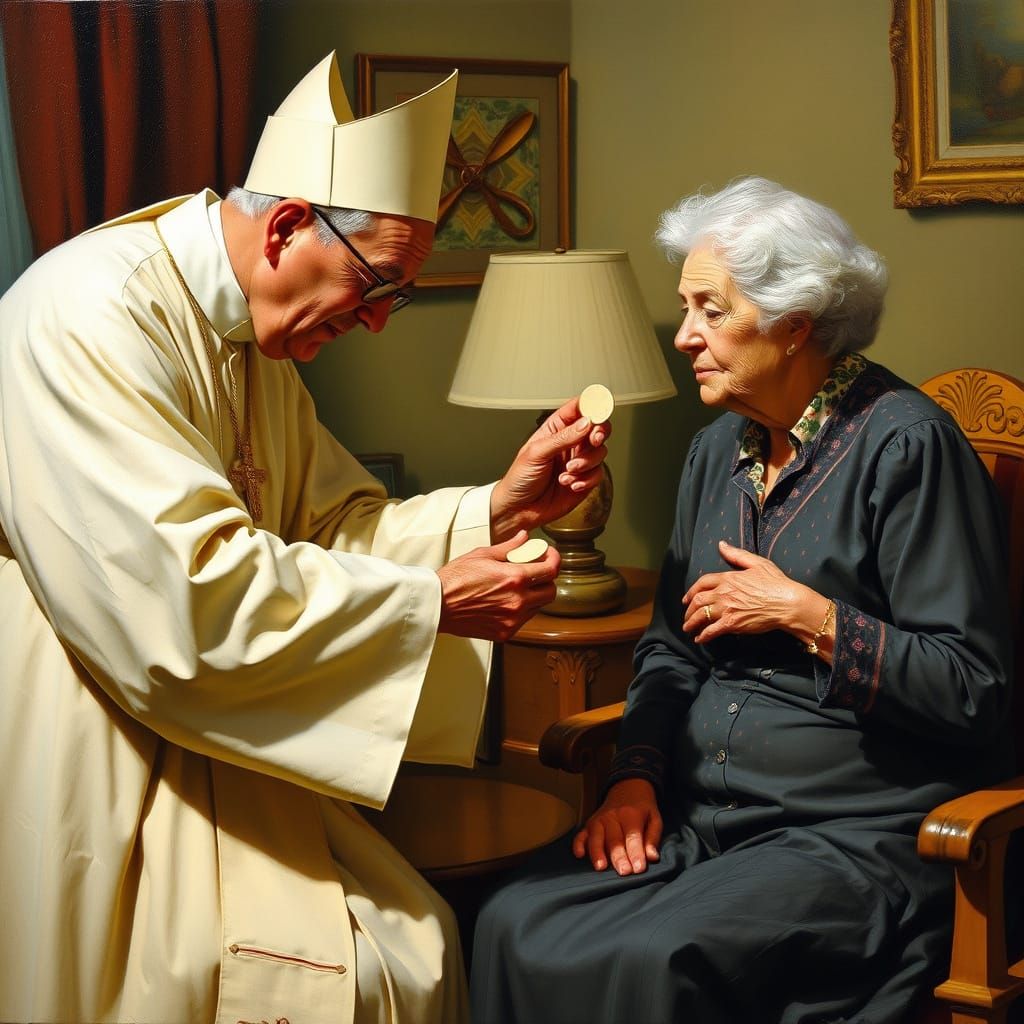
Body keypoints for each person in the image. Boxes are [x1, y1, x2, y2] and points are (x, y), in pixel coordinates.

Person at [0, 53, 611, 1024]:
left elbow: (334, 527)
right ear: (287, 226)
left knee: (411, 939)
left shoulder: (254, 344)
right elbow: (182, 600)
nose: (373, 325)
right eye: (373, 287)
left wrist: (493, 509)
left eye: (392, 300)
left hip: (224, 732)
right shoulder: (88, 318)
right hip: (109, 749)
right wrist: (432, 602)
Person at [470, 176, 1014, 1024]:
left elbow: (972, 690)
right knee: (511, 919)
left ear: (796, 322)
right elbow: (669, 650)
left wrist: (811, 617)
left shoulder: (908, 446)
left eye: (710, 311)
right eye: (685, 308)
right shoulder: (715, 449)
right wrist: (636, 781)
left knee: (657, 957)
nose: (685, 336)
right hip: (702, 818)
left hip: (850, 838)